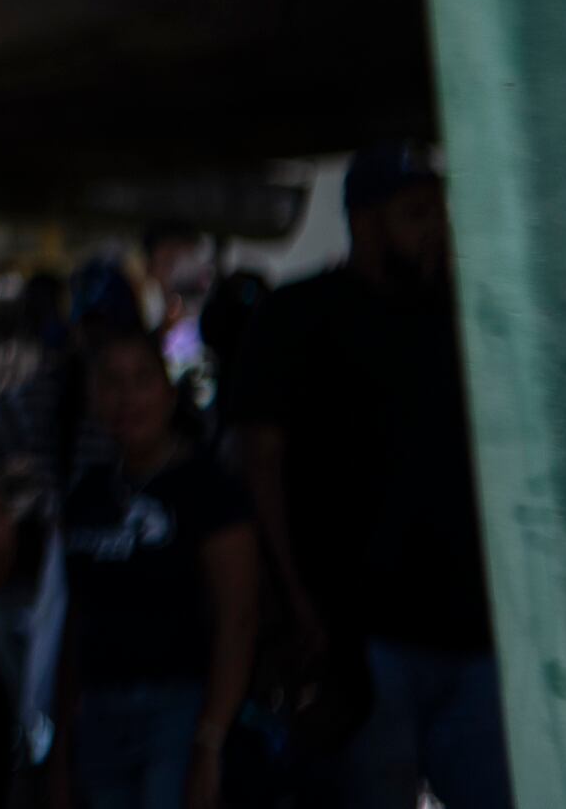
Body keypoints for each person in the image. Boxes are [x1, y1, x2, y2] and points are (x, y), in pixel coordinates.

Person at [222, 147, 503, 809]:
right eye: (416, 214)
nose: (434, 229)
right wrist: (296, 603)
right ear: (367, 222)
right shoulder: (301, 316)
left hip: (472, 631)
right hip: (362, 639)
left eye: (437, 212)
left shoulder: (457, 317)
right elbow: (259, 464)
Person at [52, 319, 255, 809]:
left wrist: (211, 739)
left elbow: (238, 619)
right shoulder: (86, 493)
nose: (128, 398)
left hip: (179, 711)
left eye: (142, 380)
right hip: (99, 714)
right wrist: (60, 746)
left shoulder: (208, 488)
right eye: (112, 383)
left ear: (168, 393)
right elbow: (73, 619)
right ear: (94, 396)